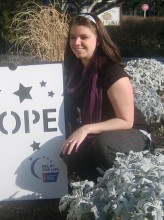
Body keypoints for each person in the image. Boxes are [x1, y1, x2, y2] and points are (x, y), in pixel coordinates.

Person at [61, 13, 151, 182]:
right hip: (102, 133)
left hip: (132, 132)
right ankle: (101, 190)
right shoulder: (74, 73)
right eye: (73, 37)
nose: (77, 42)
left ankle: (128, 185)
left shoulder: (113, 72)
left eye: (84, 37)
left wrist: (86, 128)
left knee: (103, 146)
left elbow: (126, 121)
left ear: (99, 40)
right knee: (71, 151)